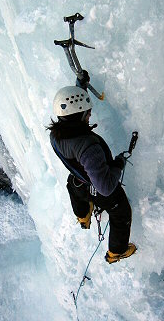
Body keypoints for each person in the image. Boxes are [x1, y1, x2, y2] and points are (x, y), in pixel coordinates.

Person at [48, 71, 136, 263]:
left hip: (78, 182)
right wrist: (118, 165)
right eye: (87, 113)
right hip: (99, 189)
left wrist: (81, 86)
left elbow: (73, 108)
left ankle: (83, 216)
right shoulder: (88, 147)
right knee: (121, 213)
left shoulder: (56, 134)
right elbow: (105, 187)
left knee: (73, 187)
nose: (90, 115)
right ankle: (117, 252)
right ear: (79, 116)